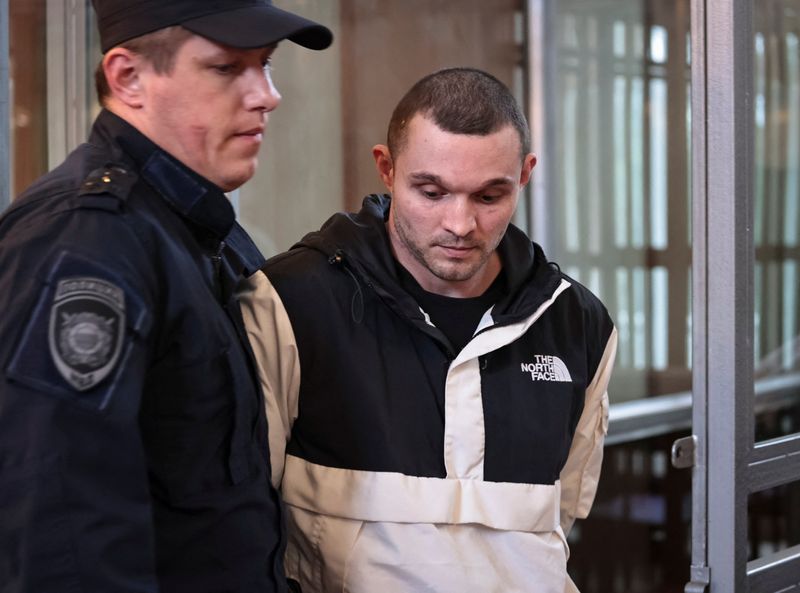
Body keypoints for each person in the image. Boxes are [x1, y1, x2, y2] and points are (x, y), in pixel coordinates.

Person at [242, 67, 618, 593]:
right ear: (386, 168)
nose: (460, 225)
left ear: (525, 175)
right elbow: (238, 514)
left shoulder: (578, 324)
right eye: (432, 191)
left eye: (490, 196)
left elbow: (565, 508)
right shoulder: (292, 303)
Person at [0, 1, 331, 592]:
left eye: (266, 64)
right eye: (227, 69)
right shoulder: (89, 239)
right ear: (129, 77)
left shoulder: (204, 230)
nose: (266, 95)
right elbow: (61, 531)